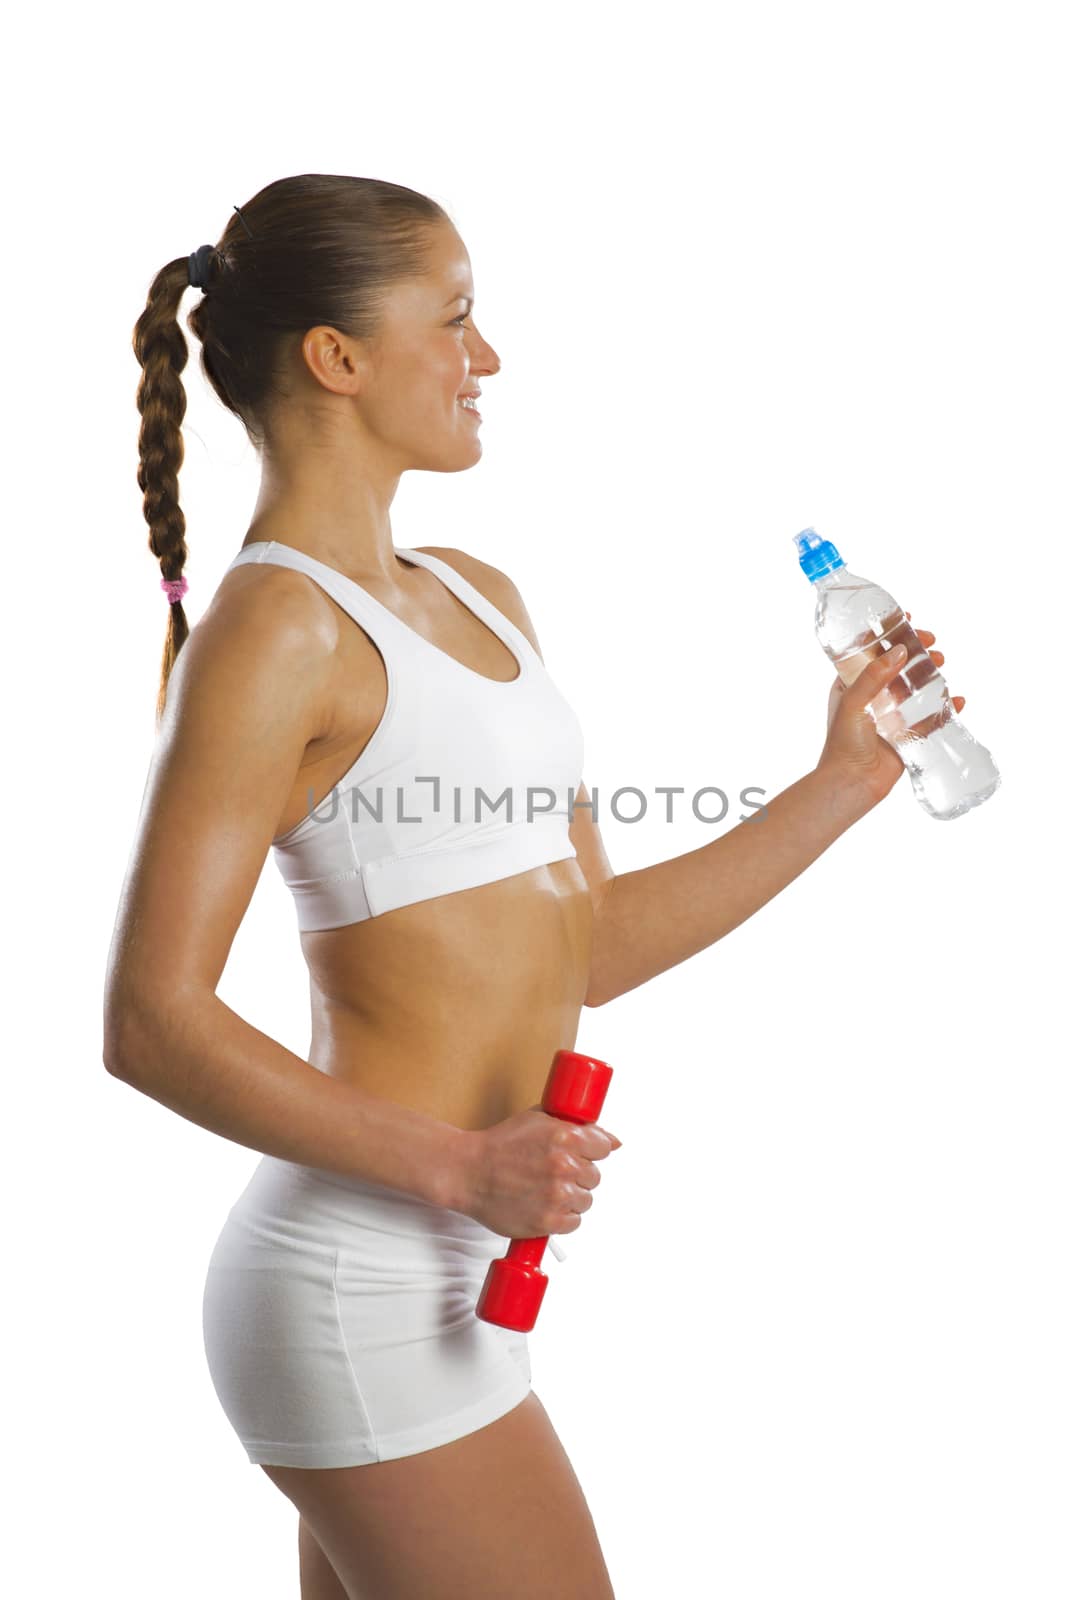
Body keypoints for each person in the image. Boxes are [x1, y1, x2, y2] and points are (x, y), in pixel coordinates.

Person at [104, 173, 964, 1600]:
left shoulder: (478, 592)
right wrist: (460, 1167)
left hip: (457, 1287)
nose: (485, 358)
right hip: (358, 1282)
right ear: (338, 357)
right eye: (454, 319)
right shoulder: (274, 627)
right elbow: (151, 1021)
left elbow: (590, 943)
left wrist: (842, 785)